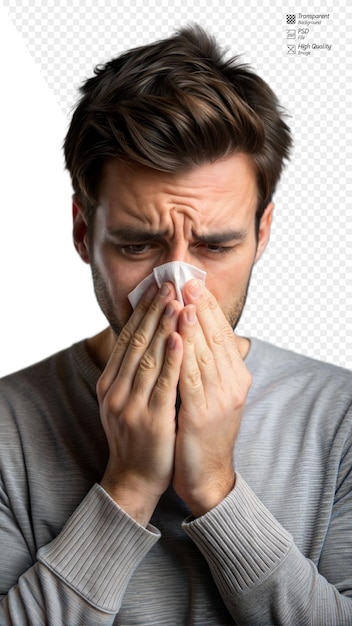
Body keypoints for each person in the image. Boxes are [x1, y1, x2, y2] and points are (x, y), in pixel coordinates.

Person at [0, 24, 351, 626]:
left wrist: (216, 487)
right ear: (84, 231)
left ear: (262, 233)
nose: (178, 287)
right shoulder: (7, 425)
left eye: (215, 245)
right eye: (138, 245)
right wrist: (130, 484)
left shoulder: (340, 418)